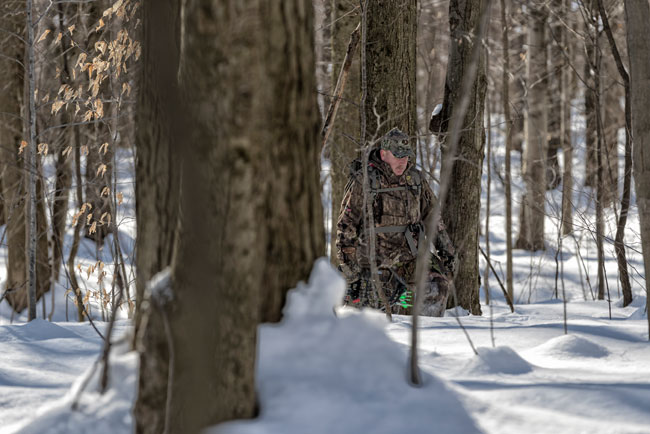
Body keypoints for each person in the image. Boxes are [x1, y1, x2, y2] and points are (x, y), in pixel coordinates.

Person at [335, 127, 456, 316]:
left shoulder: (415, 180)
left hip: (409, 260)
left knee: (436, 285)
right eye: (397, 155)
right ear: (384, 154)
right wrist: (351, 272)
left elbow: (433, 219)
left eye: (406, 156)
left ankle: (429, 336)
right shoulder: (365, 182)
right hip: (374, 265)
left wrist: (448, 253)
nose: (402, 161)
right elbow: (345, 228)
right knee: (380, 312)